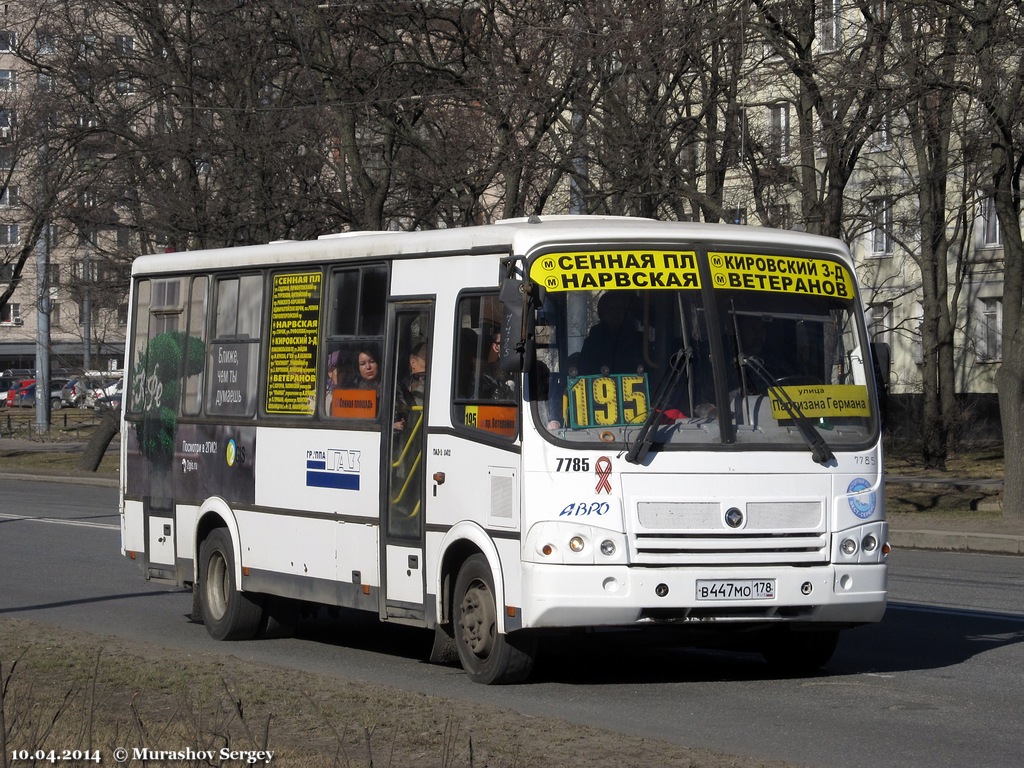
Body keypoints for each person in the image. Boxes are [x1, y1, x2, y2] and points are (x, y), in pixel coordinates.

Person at [579, 291, 644, 375]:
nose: (615, 313)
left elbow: (651, 375)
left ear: (626, 312)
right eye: (610, 309)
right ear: (602, 312)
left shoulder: (639, 341)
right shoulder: (592, 343)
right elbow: (583, 374)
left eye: (619, 309)